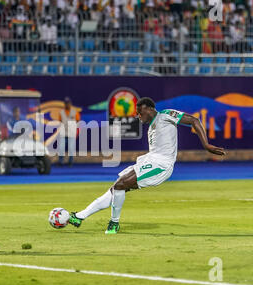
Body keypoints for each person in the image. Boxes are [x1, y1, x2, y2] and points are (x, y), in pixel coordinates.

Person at [68, 97, 226, 234]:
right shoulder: (151, 127)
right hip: (150, 160)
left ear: (150, 109)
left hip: (162, 165)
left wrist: (206, 145)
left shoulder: (165, 115)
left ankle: (114, 223)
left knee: (120, 185)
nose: (138, 116)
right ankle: (80, 216)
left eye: (140, 112)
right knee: (116, 188)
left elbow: (194, 120)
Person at [57, 97, 80, 167]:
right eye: (66, 103)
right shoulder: (61, 112)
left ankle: (70, 162)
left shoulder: (75, 112)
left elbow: (78, 122)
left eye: (68, 103)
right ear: (64, 104)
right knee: (61, 148)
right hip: (63, 133)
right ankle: (60, 162)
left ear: (70, 104)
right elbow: (60, 122)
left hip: (71, 133)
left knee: (71, 148)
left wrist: (77, 132)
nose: (67, 105)